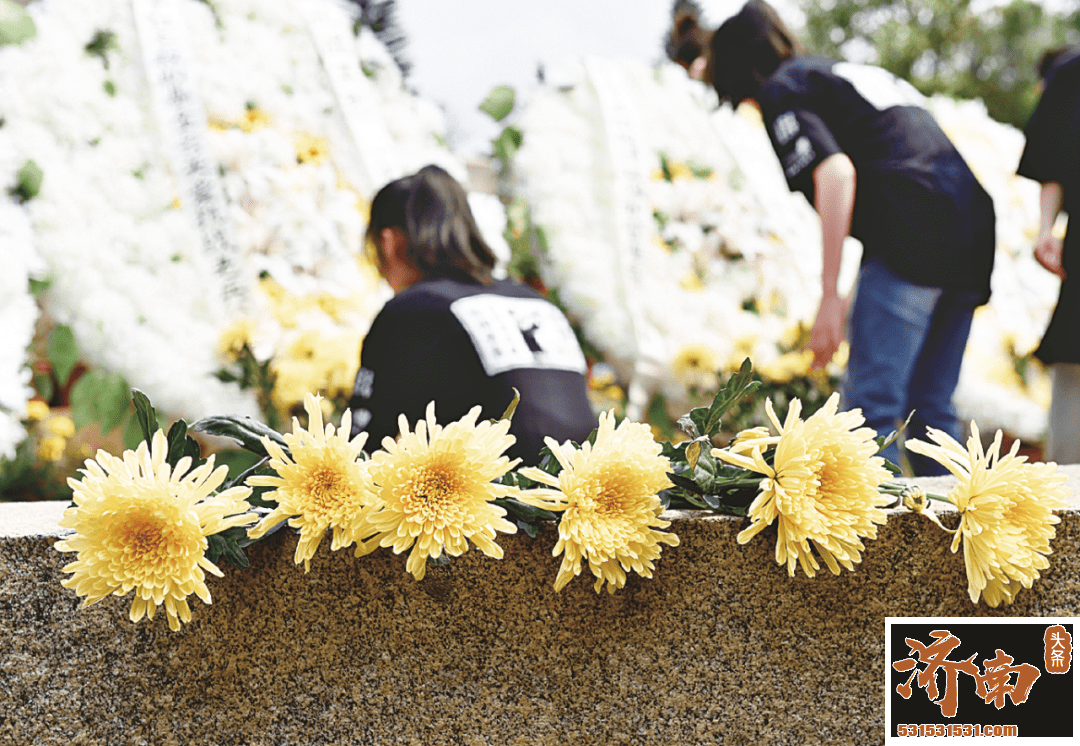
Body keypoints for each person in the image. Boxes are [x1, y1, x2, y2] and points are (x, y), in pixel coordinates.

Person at [702, 0, 997, 475]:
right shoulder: (834, 72)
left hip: (915, 226)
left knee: (868, 412)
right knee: (932, 411)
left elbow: (836, 173)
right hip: (972, 223)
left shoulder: (784, 87)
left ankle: (871, 546)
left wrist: (828, 297)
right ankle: (958, 546)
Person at [349, 165, 597, 465]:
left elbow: (363, 443)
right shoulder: (535, 300)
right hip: (584, 488)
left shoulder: (412, 307)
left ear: (389, 243)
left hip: (494, 500)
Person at [1017, 45, 1080, 464]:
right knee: (1073, 360)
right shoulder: (1070, 73)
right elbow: (1052, 161)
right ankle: (1069, 507)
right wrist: (1046, 230)